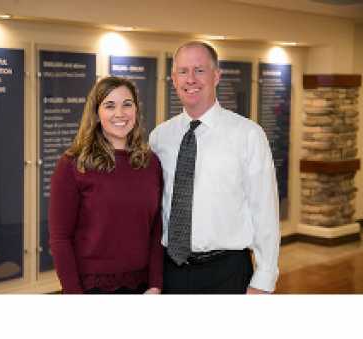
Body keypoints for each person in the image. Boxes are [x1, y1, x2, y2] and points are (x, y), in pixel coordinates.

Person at [149, 41, 280, 294]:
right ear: (173, 79)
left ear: (216, 76)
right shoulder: (159, 137)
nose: (191, 79)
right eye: (183, 71)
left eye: (199, 70)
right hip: (171, 271)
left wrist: (264, 279)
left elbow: (265, 211)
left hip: (227, 272)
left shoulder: (248, 135)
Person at [49, 76, 163, 294]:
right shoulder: (73, 164)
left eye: (127, 104)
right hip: (91, 288)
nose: (119, 113)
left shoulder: (150, 163)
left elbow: (156, 230)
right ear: (96, 113)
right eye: (109, 106)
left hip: (143, 287)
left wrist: (155, 284)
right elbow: (60, 239)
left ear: (136, 111)